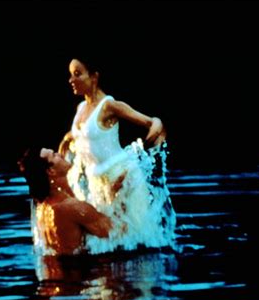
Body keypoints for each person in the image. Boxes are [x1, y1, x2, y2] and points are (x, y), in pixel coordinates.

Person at [58, 57, 176, 254]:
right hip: (99, 185)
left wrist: (155, 132)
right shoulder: (80, 109)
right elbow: (81, 134)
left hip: (125, 180)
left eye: (77, 74)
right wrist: (65, 141)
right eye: (70, 74)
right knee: (109, 242)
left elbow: (151, 122)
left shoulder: (109, 106)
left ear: (94, 76)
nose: (71, 80)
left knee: (139, 241)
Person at [18, 147, 112, 255]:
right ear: (51, 171)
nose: (60, 154)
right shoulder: (71, 207)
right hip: (81, 269)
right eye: (54, 155)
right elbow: (120, 232)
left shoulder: (44, 207)